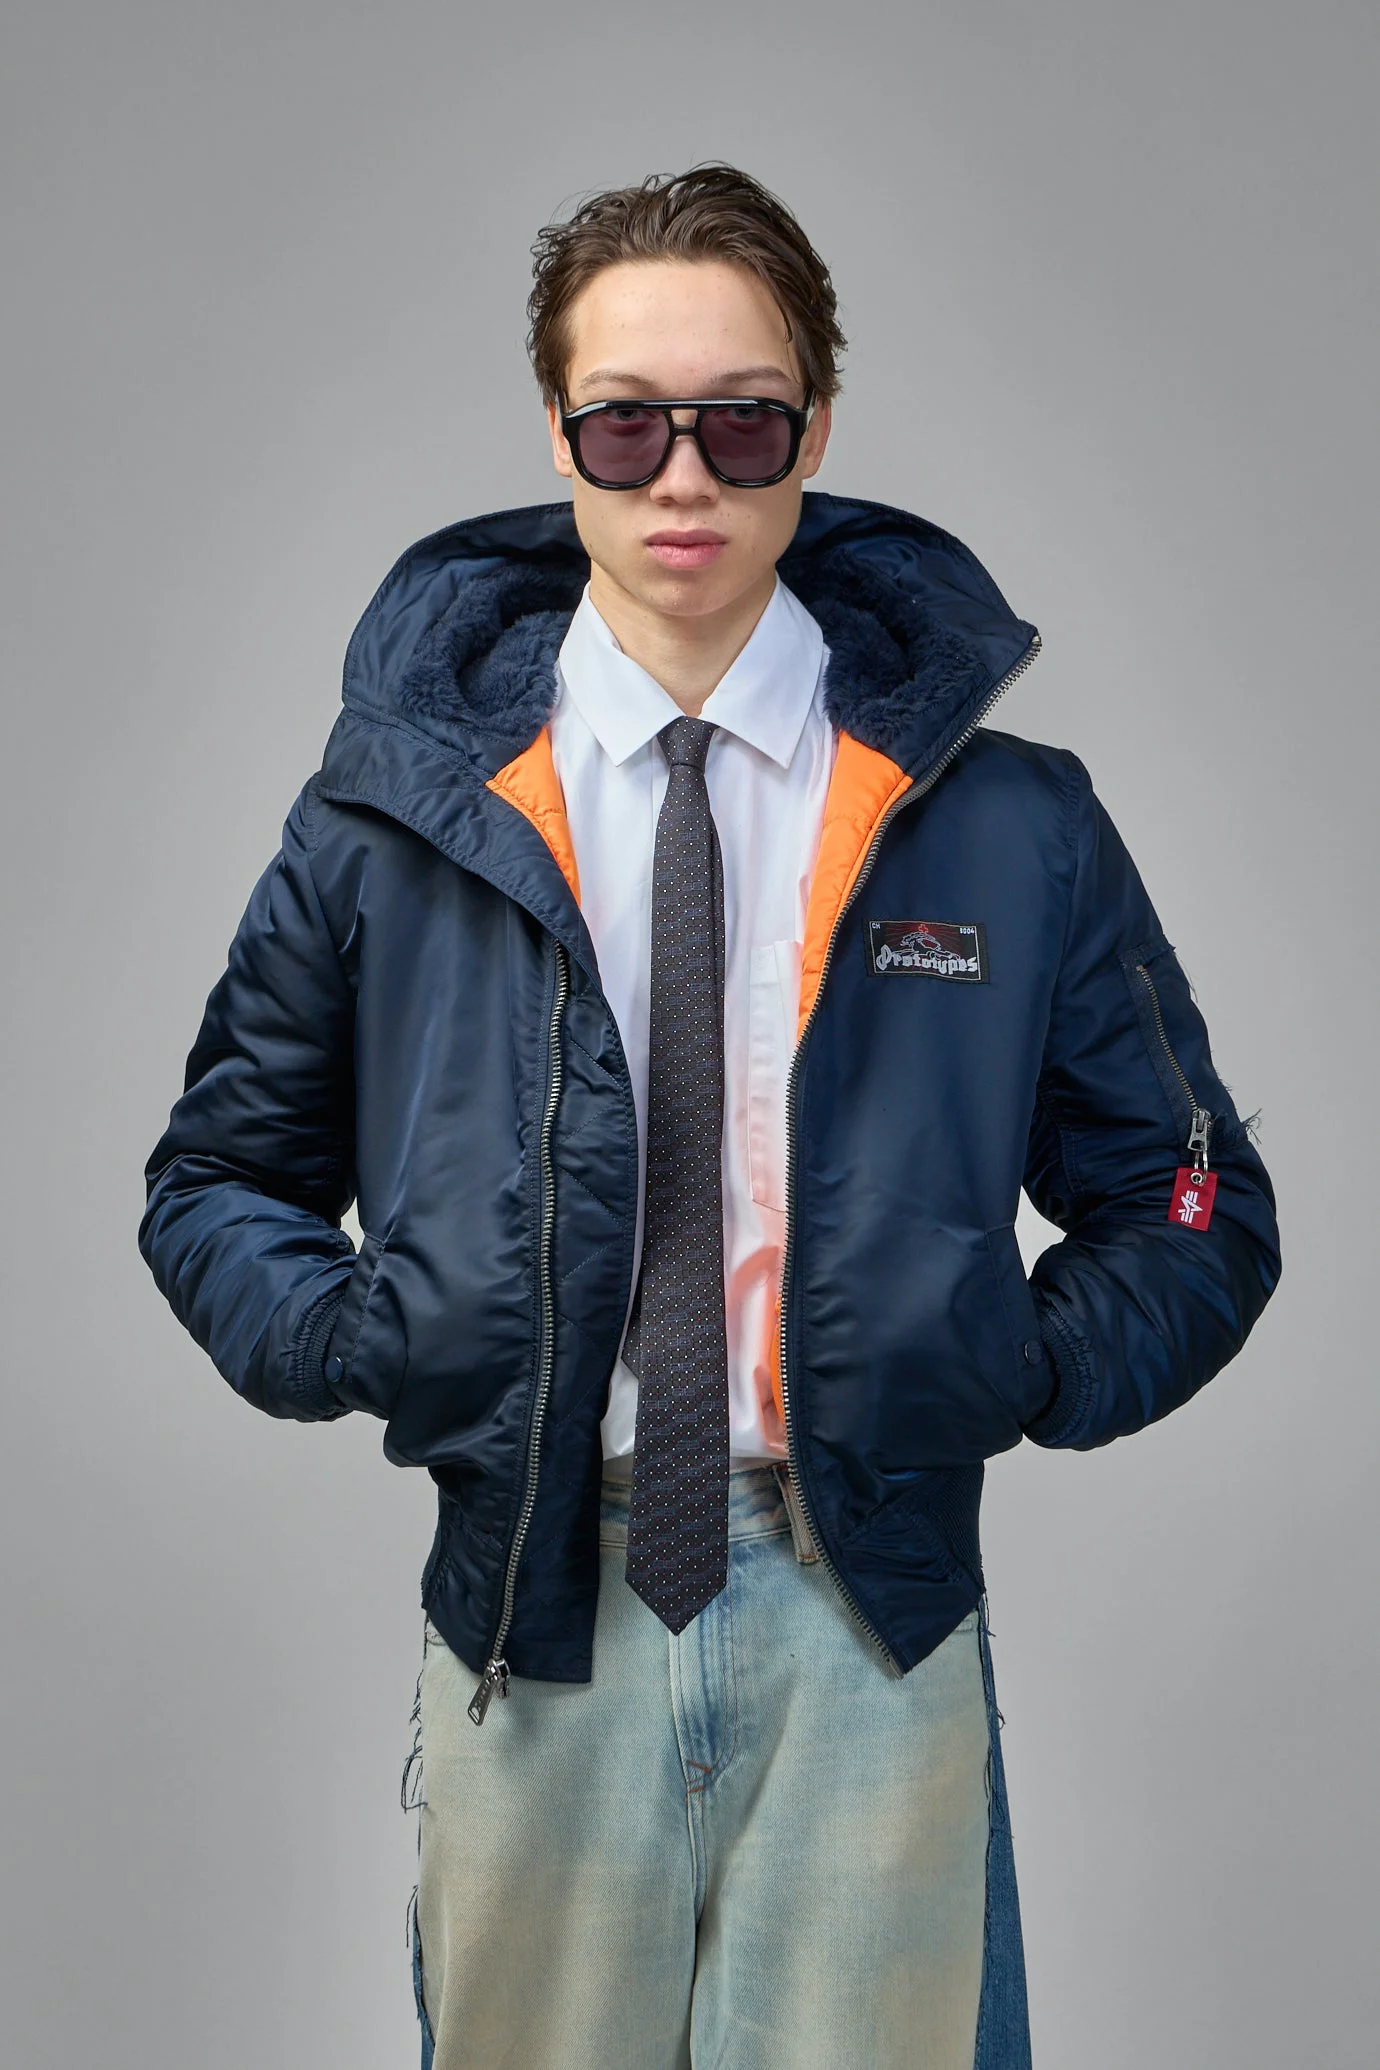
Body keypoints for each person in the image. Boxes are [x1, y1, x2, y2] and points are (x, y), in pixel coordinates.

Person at [138, 164, 1281, 2069]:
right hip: (536, 1608)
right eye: (628, 423)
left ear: (814, 432)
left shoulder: (1004, 820)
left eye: (742, 422)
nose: (685, 476)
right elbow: (216, 1178)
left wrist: (1015, 1356)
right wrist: (368, 1335)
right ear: (558, 432)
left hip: (870, 1618)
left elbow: (1194, 1200)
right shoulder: (390, 820)